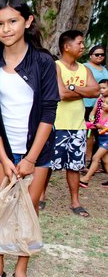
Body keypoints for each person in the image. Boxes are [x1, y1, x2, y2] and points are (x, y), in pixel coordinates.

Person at [0, 0, 59, 277]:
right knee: (1, 208)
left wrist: (29, 159)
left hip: (36, 153)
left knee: (29, 210)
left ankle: (21, 271)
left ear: (27, 22)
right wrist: (4, 156)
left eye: (13, 21)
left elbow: (49, 112)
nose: (6, 28)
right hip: (4, 152)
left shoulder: (43, 62)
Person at [42, 30, 99, 218]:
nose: (83, 47)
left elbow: (96, 91)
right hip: (57, 124)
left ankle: (75, 202)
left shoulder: (85, 69)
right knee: (48, 163)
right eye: (80, 43)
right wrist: (83, 91)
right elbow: (62, 94)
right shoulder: (55, 66)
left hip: (78, 126)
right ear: (67, 46)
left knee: (74, 166)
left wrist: (73, 87)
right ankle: (40, 197)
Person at [83, 44, 108, 164]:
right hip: (88, 103)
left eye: (102, 55)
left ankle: (98, 159)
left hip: (103, 106)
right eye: (97, 54)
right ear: (90, 55)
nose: (100, 57)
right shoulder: (85, 67)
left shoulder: (104, 69)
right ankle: (87, 158)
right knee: (89, 132)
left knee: (101, 131)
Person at [80, 95, 108, 186]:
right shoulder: (101, 112)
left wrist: (102, 127)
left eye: (107, 104)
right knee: (105, 161)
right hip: (101, 138)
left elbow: (103, 127)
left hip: (107, 140)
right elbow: (95, 123)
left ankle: (86, 179)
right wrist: (91, 123)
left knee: (96, 157)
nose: (103, 104)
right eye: (104, 102)